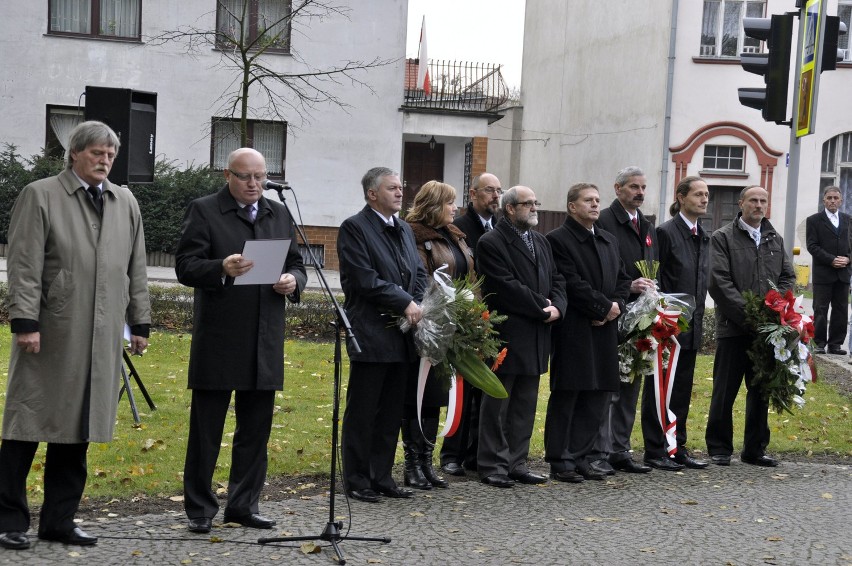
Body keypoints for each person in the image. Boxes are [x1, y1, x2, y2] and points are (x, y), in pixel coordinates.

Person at [0, 120, 150, 550]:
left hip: (101, 335)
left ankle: (59, 521)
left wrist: (139, 322)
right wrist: (25, 322)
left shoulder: (125, 202)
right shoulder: (41, 194)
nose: (104, 161)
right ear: (75, 154)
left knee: (79, 428)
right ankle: (9, 518)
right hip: (52, 330)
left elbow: (135, 268)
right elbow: (25, 264)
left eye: (110, 155)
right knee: (27, 424)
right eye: (96, 153)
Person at [176, 148, 307, 533]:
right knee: (207, 431)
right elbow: (185, 265)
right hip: (220, 336)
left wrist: (293, 282)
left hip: (264, 337)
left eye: (260, 177)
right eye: (245, 176)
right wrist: (221, 267)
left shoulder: (277, 212)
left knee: (255, 430)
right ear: (227, 176)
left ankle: (243, 504)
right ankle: (200, 509)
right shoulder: (204, 210)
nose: (254, 184)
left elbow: (297, 263)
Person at [337, 167, 429, 503]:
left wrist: (418, 301)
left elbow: (418, 271)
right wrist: (404, 301)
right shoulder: (354, 228)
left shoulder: (403, 228)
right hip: (371, 332)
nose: (400, 192)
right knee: (364, 411)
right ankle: (357, 479)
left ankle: (381, 475)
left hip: (403, 334)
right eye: (392, 188)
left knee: (391, 410)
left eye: (401, 187)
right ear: (372, 193)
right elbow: (364, 278)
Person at [476, 185, 566, 488]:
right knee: (498, 402)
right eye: (527, 204)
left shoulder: (540, 241)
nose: (534, 208)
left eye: (535, 203)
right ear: (510, 208)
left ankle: (517, 461)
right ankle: (492, 464)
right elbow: (505, 286)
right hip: (508, 333)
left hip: (538, 333)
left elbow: (557, 278)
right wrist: (544, 307)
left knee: (525, 403)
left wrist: (559, 308)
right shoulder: (491, 242)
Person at [545, 183, 631, 483]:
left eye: (597, 200)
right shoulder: (557, 240)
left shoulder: (607, 239)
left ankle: (582, 456)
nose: (595, 205)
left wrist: (615, 306)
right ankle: (560, 459)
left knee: (597, 395)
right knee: (569, 393)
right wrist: (601, 308)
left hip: (605, 327)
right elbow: (569, 281)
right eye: (588, 200)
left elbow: (622, 277)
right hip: (575, 328)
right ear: (572, 207)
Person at [706, 185, 796, 467]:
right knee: (725, 390)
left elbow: (787, 277)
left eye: (763, 201)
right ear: (741, 203)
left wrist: (776, 311)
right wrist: (752, 317)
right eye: (753, 200)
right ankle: (719, 447)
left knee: (760, 391)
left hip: (769, 331)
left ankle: (755, 448)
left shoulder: (774, 239)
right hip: (734, 328)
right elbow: (719, 282)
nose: (759, 205)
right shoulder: (722, 238)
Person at [404, 181, 474, 490]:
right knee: (417, 396)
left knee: (435, 396)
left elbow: (468, 275)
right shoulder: (415, 235)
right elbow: (419, 277)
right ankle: (412, 463)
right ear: (433, 205)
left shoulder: (454, 235)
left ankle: (427, 462)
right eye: (449, 203)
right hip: (426, 324)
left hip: (451, 324)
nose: (455, 208)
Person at [641, 176, 710, 470]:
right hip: (668, 325)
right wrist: (664, 315)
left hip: (692, 324)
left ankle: (676, 445)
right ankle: (655, 449)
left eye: (707, 194)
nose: (704, 199)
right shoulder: (666, 232)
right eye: (698, 194)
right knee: (660, 388)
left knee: (681, 388)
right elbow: (657, 277)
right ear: (681, 197)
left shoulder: (703, 234)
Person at [593, 166, 657, 474]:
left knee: (633, 379)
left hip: (640, 315)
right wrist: (628, 286)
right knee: (612, 384)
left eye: (643, 187)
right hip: (615, 311)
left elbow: (651, 263)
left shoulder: (645, 224)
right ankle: (602, 449)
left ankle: (620, 448)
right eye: (634, 186)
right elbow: (607, 264)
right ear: (618, 189)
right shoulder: (605, 220)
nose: (640, 192)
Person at [441, 172, 501, 477]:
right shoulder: (459, 228)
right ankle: (452, 453)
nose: (495, 196)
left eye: (499, 191)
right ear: (473, 193)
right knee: (461, 388)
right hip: (465, 316)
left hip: (493, 317)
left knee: (484, 389)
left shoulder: (501, 228)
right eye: (489, 190)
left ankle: (476, 453)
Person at [805, 186, 851, 356]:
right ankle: (819, 343)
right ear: (823, 200)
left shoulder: (848, 220)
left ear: (841, 200)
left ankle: (835, 344)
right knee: (821, 309)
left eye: (835, 198)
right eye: (829, 198)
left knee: (841, 309)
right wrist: (831, 259)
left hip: (843, 273)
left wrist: (848, 259)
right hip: (823, 273)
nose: (832, 201)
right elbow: (812, 246)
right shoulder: (814, 220)